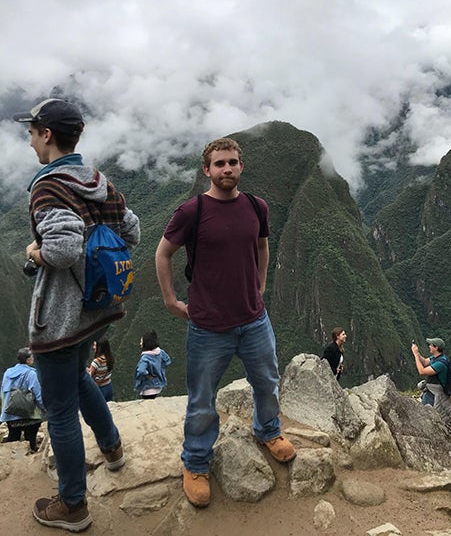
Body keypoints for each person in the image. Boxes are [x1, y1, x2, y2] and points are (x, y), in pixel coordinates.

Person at [13, 98, 140, 532]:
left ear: (47, 135)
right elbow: (133, 229)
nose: (29, 139)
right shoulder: (98, 180)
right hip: (99, 309)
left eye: (31, 132)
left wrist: (34, 250)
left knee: (61, 408)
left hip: (62, 318)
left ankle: (72, 506)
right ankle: (112, 447)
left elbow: (62, 249)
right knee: (80, 378)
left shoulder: (48, 187)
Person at [155, 136, 296, 508]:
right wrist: (170, 300)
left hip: (254, 320)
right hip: (207, 326)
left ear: (241, 166)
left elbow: (263, 245)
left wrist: (261, 283)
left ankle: (269, 432)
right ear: (207, 170)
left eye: (233, 162)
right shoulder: (192, 211)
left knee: (266, 382)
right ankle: (196, 463)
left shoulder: (256, 206)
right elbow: (163, 253)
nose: (227, 169)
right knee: (202, 399)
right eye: (219, 164)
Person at [1, 347, 46, 452]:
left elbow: (3, 391)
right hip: (28, 414)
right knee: (31, 439)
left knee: (13, 437)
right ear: (28, 360)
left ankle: (10, 460)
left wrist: (5, 409)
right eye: (32, 356)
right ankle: (30, 458)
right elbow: (37, 393)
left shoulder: (8, 372)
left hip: (10, 413)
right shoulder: (31, 374)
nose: (33, 358)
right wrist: (44, 408)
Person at [411, 336, 451, 422]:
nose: (429, 346)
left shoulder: (440, 363)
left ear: (436, 347)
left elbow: (422, 371)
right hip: (430, 391)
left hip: (434, 393)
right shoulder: (436, 358)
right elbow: (425, 362)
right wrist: (417, 352)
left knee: (428, 417)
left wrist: (415, 355)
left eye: (431, 345)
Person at [134, 330, 171, 399]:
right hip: (158, 385)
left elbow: (141, 370)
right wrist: (159, 369)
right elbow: (167, 361)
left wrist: (148, 375)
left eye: (142, 341)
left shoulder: (145, 357)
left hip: (148, 388)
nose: (140, 343)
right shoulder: (161, 352)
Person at [88, 336, 115, 402]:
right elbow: (102, 371)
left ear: (99, 347)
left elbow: (89, 376)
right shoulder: (109, 358)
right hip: (109, 387)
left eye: (95, 345)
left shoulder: (97, 361)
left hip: (100, 389)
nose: (93, 347)